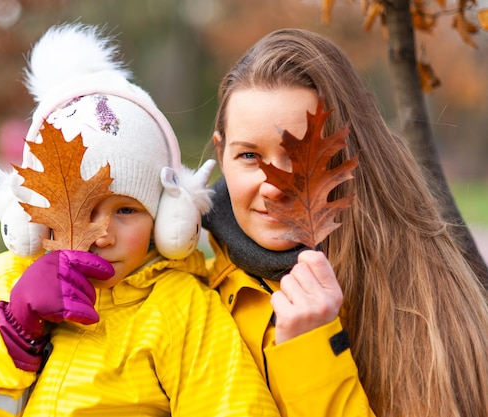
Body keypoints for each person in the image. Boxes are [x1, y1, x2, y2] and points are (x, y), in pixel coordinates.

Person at [0, 23, 280, 417]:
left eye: (127, 210)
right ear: (31, 212)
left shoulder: (182, 312)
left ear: (165, 221)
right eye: (78, 207)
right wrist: (10, 334)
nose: (101, 235)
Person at [202, 28, 488, 417]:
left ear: (347, 154)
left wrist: (313, 350)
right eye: (250, 156)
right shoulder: (191, 292)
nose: (274, 186)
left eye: (300, 157)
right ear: (222, 153)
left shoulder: (413, 301)